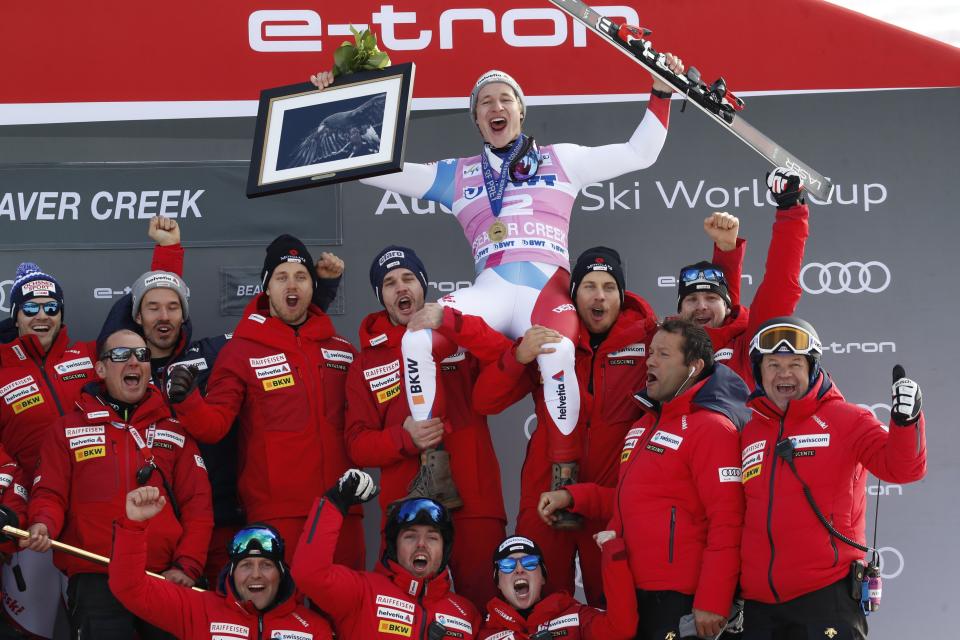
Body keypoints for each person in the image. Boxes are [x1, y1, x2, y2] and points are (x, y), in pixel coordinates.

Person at [311, 53, 683, 498]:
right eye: (485, 102)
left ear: (520, 111)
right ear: (477, 120)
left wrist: (661, 93)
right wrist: (330, 106)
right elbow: (372, 169)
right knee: (414, 337)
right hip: (491, 290)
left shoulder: (560, 159)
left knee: (558, 349)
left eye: (505, 99)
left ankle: (565, 473)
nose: (495, 107)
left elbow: (639, 153)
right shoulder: (456, 174)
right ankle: (435, 467)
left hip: (546, 290)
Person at [96, 222, 344, 586]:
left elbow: (279, 337)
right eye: (152, 309)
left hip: (216, 517)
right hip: (148, 517)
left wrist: (319, 295)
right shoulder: (118, 371)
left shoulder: (212, 353)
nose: (163, 317)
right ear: (135, 318)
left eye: (172, 309)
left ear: (185, 315)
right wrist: (167, 254)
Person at [0, 217, 182, 638]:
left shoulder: (87, 354)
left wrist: (168, 252)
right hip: (35, 517)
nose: (42, 316)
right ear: (16, 315)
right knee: (35, 628)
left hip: (93, 521)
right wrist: (17, 501)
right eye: (31, 308)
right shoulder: (3, 371)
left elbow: (146, 319)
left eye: (51, 307)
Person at [539, 319, 749, 640]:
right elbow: (637, 500)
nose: (650, 361)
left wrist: (714, 598)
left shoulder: (711, 428)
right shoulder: (643, 425)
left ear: (693, 367)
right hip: (630, 592)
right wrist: (574, 497)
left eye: (663, 354)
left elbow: (728, 519)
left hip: (682, 600)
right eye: (650, 352)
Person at [471, 247, 658, 604]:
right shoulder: (550, 338)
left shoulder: (648, 341)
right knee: (541, 608)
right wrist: (517, 356)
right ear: (574, 296)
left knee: (615, 608)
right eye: (589, 286)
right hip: (545, 499)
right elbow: (485, 402)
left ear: (622, 294)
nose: (599, 296)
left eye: (608, 286)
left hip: (609, 501)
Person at [166, 234, 363, 568]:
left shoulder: (342, 350)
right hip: (277, 513)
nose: (293, 285)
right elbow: (214, 426)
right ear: (266, 288)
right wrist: (188, 400)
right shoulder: (241, 352)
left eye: (301, 277)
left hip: (343, 509)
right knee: (284, 617)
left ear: (313, 287)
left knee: (345, 613)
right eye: (281, 277)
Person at [738, 317, 927, 639]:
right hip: (759, 606)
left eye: (795, 364)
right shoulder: (749, 431)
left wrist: (907, 422)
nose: (783, 373)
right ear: (758, 371)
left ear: (811, 368)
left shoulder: (847, 418)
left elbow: (902, 468)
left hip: (826, 597)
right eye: (772, 364)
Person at [345, 245, 511, 610]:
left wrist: (452, 323)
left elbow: (508, 360)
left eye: (408, 278)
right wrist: (404, 439)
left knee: (484, 612)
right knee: (403, 619)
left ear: (423, 285)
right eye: (389, 283)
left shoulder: (459, 334)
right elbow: (358, 445)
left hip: (473, 503)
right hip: (407, 512)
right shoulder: (365, 364)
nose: (401, 288)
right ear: (380, 296)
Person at [21, 329, 213, 639]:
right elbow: (50, 493)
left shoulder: (174, 427)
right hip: (97, 574)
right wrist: (43, 523)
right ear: (100, 369)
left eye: (142, 355)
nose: (134, 362)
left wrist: (187, 566)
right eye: (121, 355)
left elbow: (198, 505)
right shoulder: (67, 428)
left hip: (162, 576)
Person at [108, 486, 333, 639]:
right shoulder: (199, 609)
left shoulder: (314, 629)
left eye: (266, 565)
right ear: (232, 572)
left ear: (282, 573)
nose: (256, 574)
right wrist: (134, 525)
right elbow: (130, 588)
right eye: (246, 565)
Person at [292, 469, 480, 639]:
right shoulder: (360, 593)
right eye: (410, 536)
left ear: (445, 549)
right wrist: (334, 502)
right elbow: (308, 573)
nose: (421, 544)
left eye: (432, 538)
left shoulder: (467, 614)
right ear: (393, 547)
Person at [676, 167, 810, 385]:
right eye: (691, 299)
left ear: (728, 308)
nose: (701, 306)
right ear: (679, 312)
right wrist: (727, 248)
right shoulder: (663, 348)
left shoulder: (748, 346)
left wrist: (790, 211)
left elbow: (780, 285)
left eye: (711, 299)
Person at [479, 533, 637, 639]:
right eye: (507, 565)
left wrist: (614, 552)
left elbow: (621, 629)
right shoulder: (484, 633)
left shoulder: (575, 617)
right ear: (498, 582)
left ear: (542, 577)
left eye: (530, 563)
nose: (519, 570)